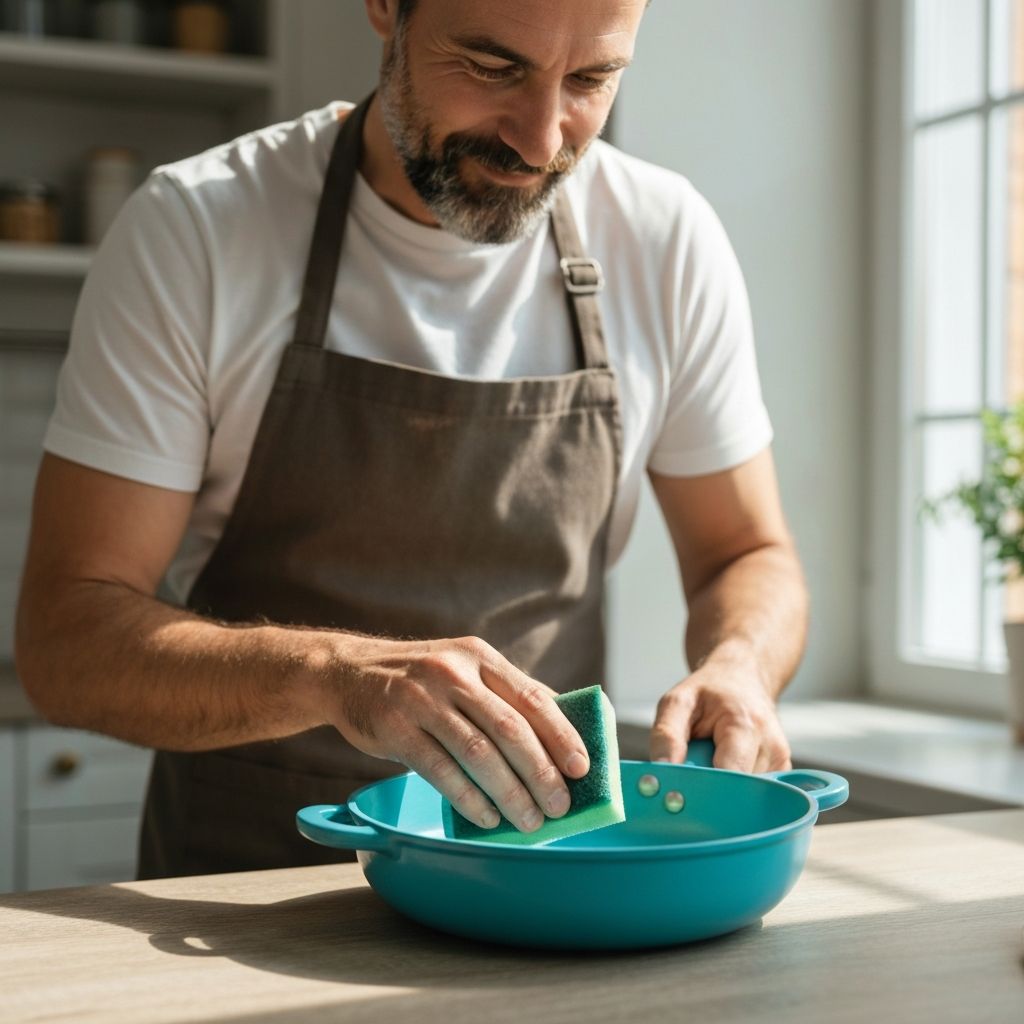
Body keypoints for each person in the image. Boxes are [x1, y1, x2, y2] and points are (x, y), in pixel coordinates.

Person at [14, 0, 808, 878]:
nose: (541, 141)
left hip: (544, 887)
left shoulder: (665, 240)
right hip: (245, 895)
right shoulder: (198, 230)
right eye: (493, 67)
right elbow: (66, 642)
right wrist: (335, 675)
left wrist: (741, 666)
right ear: (387, 8)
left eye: (591, 80)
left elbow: (747, 552)